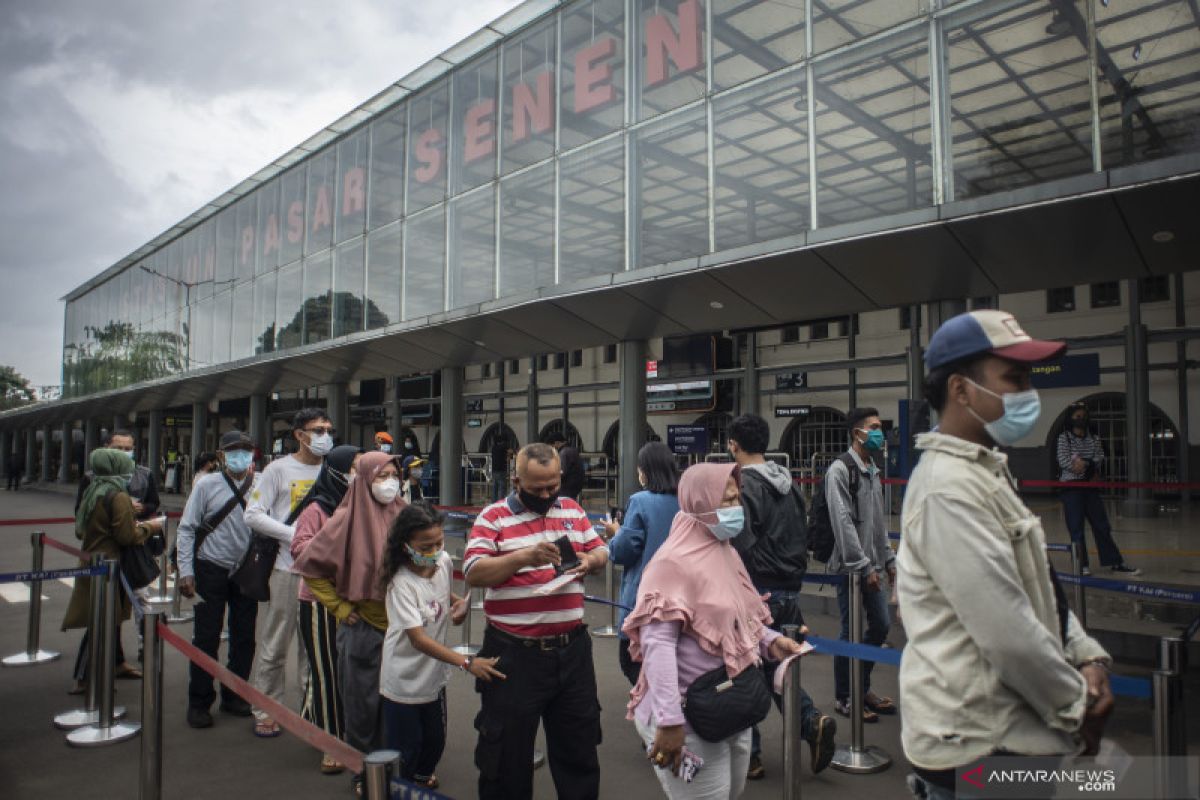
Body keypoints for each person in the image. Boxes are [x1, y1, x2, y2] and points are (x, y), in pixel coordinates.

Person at [898, 309, 1114, 800]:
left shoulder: (986, 472)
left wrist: (1085, 654)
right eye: (1014, 378)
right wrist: (1078, 705)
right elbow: (1007, 631)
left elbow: (1037, 583)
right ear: (960, 389)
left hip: (1010, 733)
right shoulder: (947, 489)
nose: (1027, 392)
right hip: (979, 744)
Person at [624, 462, 809, 799]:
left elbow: (739, 615)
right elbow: (657, 645)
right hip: (687, 716)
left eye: (737, 499)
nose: (736, 509)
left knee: (732, 791)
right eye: (725, 501)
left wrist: (771, 641)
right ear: (698, 501)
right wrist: (669, 721)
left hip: (729, 702)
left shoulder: (724, 552)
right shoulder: (671, 563)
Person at [464, 442, 608, 800]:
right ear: (516, 480)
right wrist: (524, 556)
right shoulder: (493, 517)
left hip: (572, 651)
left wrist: (591, 562)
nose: (546, 494)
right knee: (507, 759)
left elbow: (600, 549)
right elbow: (474, 572)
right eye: (536, 488)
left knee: (579, 750)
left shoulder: (572, 509)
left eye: (552, 485)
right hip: (514, 655)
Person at [726, 413, 835, 779]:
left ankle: (752, 754)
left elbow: (740, 542)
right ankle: (809, 722)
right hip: (789, 587)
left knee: (744, 668)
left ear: (733, 445)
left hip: (757, 588)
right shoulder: (788, 484)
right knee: (778, 663)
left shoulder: (744, 486)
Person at [294, 450, 406, 797]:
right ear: (364, 480)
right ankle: (364, 772)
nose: (390, 483)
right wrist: (339, 607)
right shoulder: (345, 518)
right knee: (362, 705)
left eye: (393, 475)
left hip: (401, 629)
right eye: (381, 476)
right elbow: (309, 564)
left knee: (396, 703)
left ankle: (394, 768)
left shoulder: (403, 513)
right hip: (364, 628)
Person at [378, 502, 505, 788]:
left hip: (433, 678)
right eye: (424, 547)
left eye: (439, 542)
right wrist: (467, 662)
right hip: (403, 681)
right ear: (404, 545)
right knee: (406, 748)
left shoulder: (444, 561)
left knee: (435, 741)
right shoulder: (401, 584)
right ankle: (398, 786)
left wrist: (457, 604)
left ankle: (419, 781)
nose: (433, 552)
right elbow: (418, 639)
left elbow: (444, 595)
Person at [244, 408, 329, 738]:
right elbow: (253, 515)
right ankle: (267, 708)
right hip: (286, 570)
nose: (324, 435)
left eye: (327, 429)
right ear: (299, 434)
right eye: (317, 430)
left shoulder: (332, 469)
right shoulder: (278, 470)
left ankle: (311, 710)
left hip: (322, 574)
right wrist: (293, 535)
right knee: (276, 642)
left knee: (315, 647)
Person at [62, 448, 163, 693]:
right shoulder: (117, 495)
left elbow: (80, 529)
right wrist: (151, 527)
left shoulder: (94, 489)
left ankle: (113, 664)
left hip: (94, 561)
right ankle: (86, 677)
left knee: (108, 619)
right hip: (110, 566)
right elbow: (126, 535)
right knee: (101, 622)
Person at [176, 431, 258, 729]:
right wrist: (186, 571)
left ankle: (235, 695)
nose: (240, 456)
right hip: (210, 567)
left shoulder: (260, 483)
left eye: (246, 450)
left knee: (244, 636)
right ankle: (199, 701)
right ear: (222, 455)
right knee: (206, 636)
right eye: (234, 451)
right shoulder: (206, 485)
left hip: (246, 570)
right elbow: (187, 528)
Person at [289, 444, 360, 775]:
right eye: (353, 468)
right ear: (336, 472)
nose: (357, 475)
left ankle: (312, 718)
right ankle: (331, 744)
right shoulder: (318, 509)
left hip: (355, 603)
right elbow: (300, 549)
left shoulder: (364, 505)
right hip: (318, 604)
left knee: (346, 671)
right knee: (326, 672)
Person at [826, 407, 896, 722]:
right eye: (876, 427)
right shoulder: (840, 471)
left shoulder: (872, 469)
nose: (881, 433)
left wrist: (888, 559)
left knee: (880, 625)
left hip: (875, 566)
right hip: (850, 569)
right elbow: (842, 523)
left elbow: (878, 522)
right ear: (858, 433)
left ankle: (861, 686)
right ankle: (845, 696)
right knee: (849, 631)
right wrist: (863, 565)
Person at [602, 441, 681, 685]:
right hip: (679, 597)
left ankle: (659, 712)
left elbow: (624, 551)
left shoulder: (640, 501)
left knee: (632, 662)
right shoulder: (685, 500)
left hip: (643, 599)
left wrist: (615, 533)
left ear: (645, 471)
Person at [1056, 402, 1139, 576]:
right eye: (1077, 416)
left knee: (1102, 525)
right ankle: (1081, 565)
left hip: (1090, 487)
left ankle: (1115, 562)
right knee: (1076, 528)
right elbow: (1063, 461)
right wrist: (1081, 464)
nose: (1081, 419)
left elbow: (1099, 457)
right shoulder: (1064, 438)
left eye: (1083, 416)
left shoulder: (1094, 438)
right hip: (1071, 488)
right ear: (1070, 419)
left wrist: (1084, 463)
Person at [78, 429, 161, 522]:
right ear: (107, 448)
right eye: (118, 448)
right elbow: (80, 511)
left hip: (137, 530)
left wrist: (143, 508)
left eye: (128, 449)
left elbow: (154, 503)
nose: (123, 452)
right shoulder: (90, 477)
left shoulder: (146, 474)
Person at [554, 437, 586, 503]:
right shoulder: (572, 450)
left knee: (564, 505)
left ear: (556, 443)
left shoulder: (563, 453)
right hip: (575, 486)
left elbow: (562, 472)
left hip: (566, 487)